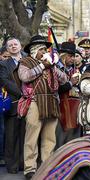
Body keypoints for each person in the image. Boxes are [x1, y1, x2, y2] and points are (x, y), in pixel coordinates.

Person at [18, 35, 68, 179]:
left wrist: (53, 65)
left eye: (46, 50)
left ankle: (47, 165)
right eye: (42, 50)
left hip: (51, 102)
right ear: (35, 51)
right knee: (32, 136)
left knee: (49, 136)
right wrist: (42, 66)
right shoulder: (25, 62)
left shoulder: (51, 64)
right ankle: (30, 168)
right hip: (34, 101)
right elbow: (24, 77)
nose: (46, 52)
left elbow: (64, 79)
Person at [0, 37, 24, 174]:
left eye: (16, 44)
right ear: (7, 49)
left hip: (29, 104)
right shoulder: (3, 64)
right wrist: (22, 93)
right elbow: (4, 81)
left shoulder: (28, 59)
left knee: (25, 135)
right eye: (10, 45)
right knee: (11, 135)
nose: (13, 46)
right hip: (13, 103)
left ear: (20, 46)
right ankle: (12, 165)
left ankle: (23, 163)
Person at [55, 41, 81, 148]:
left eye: (74, 56)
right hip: (59, 107)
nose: (73, 59)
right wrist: (71, 83)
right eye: (70, 56)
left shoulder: (74, 69)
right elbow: (56, 88)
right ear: (63, 56)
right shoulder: (55, 68)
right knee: (60, 139)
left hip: (74, 108)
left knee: (73, 140)